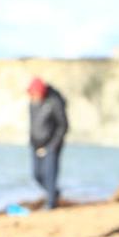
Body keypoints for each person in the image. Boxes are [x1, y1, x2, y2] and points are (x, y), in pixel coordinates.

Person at [27, 77, 68, 209]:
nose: (33, 96)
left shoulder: (54, 102)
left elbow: (63, 126)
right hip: (35, 145)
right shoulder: (32, 103)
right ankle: (54, 193)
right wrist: (32, 142)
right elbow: (33, 125)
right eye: (31, 93)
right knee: (37, 175)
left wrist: (53, 145)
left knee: (50, 175)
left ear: (42, 91)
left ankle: (50, 203)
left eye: (35, 93)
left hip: (51, 146)